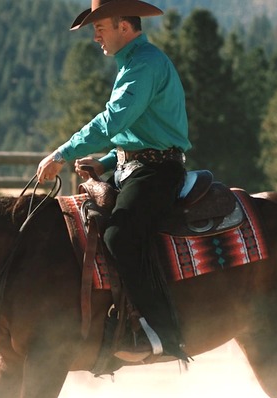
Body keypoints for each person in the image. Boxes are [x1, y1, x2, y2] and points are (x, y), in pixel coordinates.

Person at [36, 0, 191, 362]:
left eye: (100, 28)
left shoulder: (144, 65)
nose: (95, 37)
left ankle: (163, 334)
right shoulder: (135, 63)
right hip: (138, 168)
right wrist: (108, 161)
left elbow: (114, 121)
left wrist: (63, 154)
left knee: (119, 236)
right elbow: (141, 131)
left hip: (156, 173)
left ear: (124, 26)